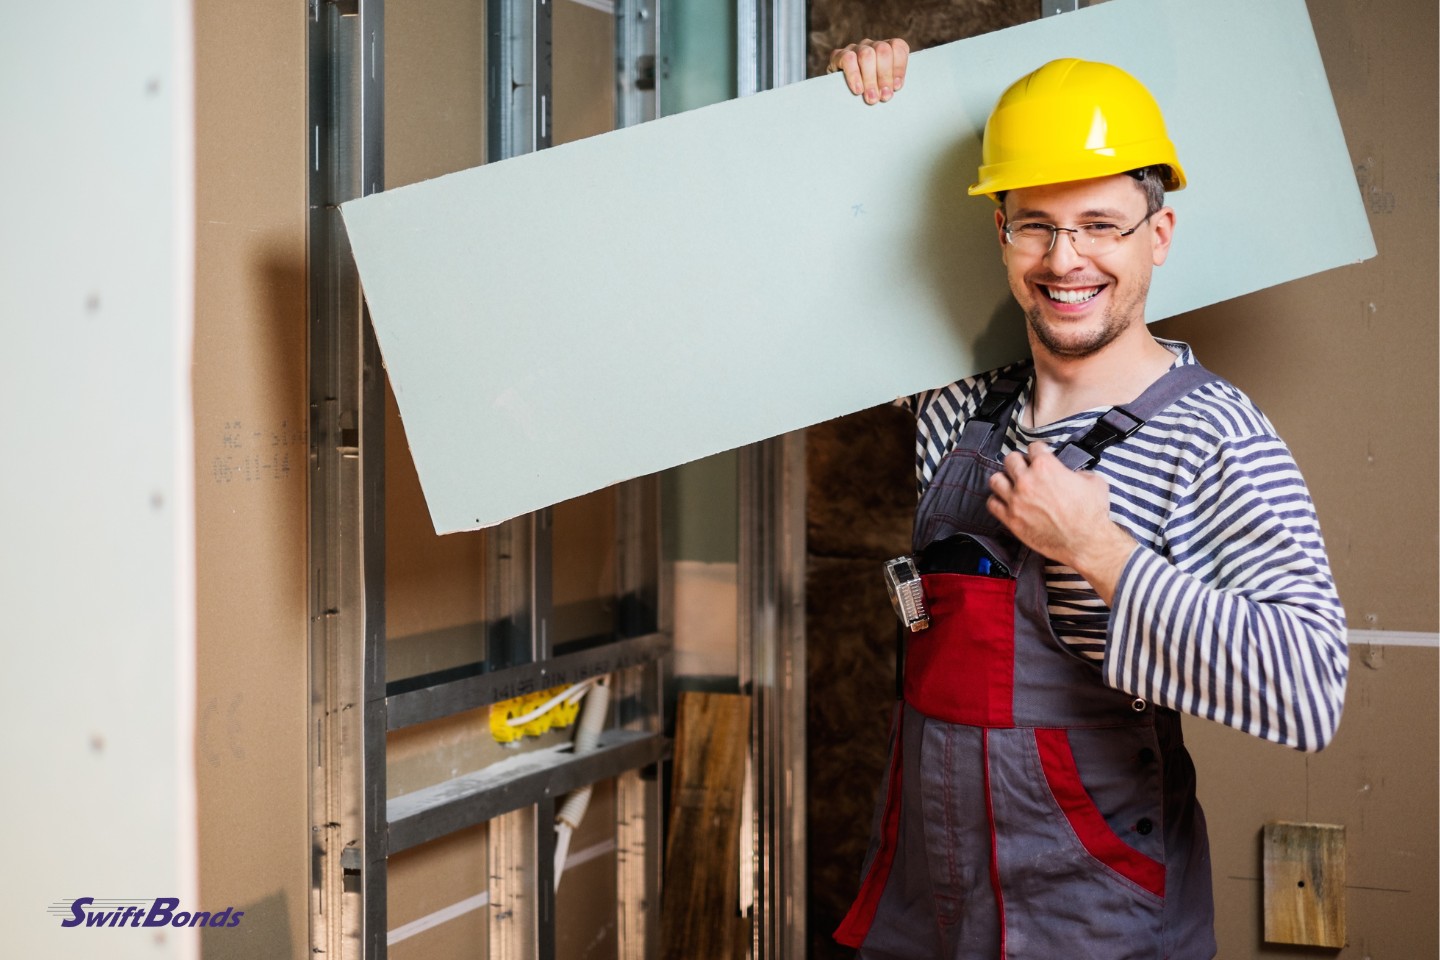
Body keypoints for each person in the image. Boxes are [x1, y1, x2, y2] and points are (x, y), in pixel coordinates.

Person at [824, 42, 1348, 959]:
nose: (1064, 260)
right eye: (1035, 224)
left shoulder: (1212, 438)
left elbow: (1307, 695)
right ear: (999, 233)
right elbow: (811, 268)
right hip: (928, 894)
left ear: (1159, 235)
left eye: (1101, 225)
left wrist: (1100, 553)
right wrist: (868, 102)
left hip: (1092, 915)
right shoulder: (952, 411)